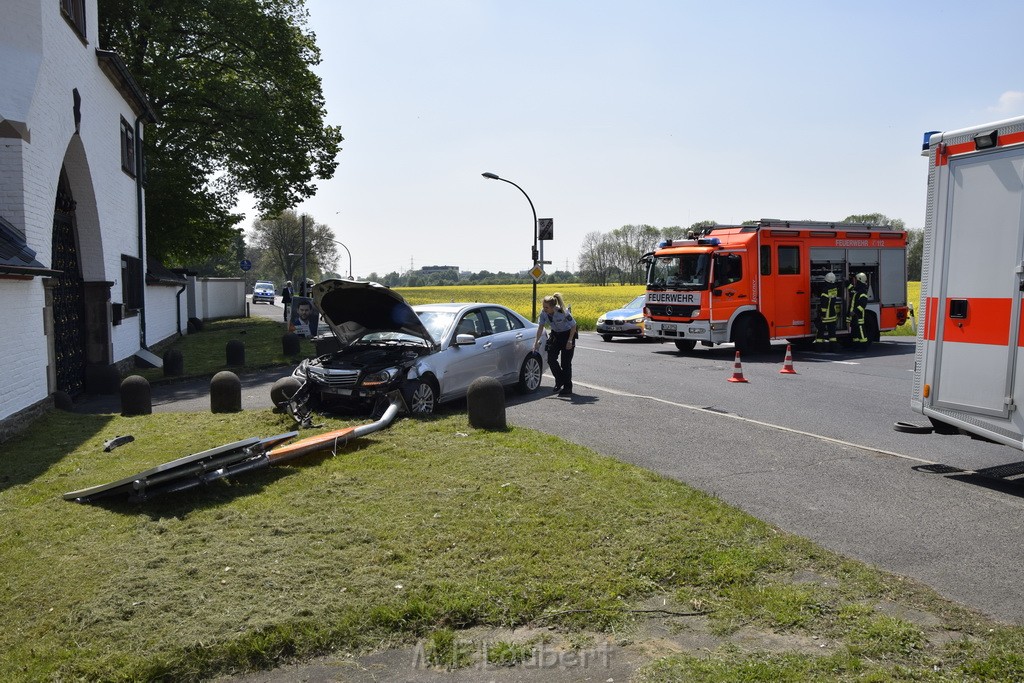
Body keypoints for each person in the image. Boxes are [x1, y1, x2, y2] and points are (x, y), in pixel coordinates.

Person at [533, 293, 577, 397]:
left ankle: (567, 388)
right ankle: (559, 380)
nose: (544, 309)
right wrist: (536, 342)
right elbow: (540, 327)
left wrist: (570, 341)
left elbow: (574, 326)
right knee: (551, 359)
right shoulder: (543, 313)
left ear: (553, 307)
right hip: (556, 335)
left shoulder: (563, 311)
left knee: (565, 363)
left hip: (567, 335)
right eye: (543, 306)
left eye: (546, 307)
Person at [814, 272, 840, 350]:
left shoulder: (825, 291)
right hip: (832, 315)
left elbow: (824, 304)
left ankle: (819, 348)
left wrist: (822, 314)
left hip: (825, 316)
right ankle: (833, 348)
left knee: (820, 333)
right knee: (832, 334)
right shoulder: (834, 289)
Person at [848, 272, 869, 346]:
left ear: (860, 280)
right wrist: (848, 282)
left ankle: (863, 346)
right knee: (854, 332)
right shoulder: (856, 290)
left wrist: (854, 311)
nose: (855, 281)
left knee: (861, 332)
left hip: (858, 316)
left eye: (856, 280)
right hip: (854, 317)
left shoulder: (862, 292)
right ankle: (856, 346)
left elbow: (862, 305)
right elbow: (851, 291)